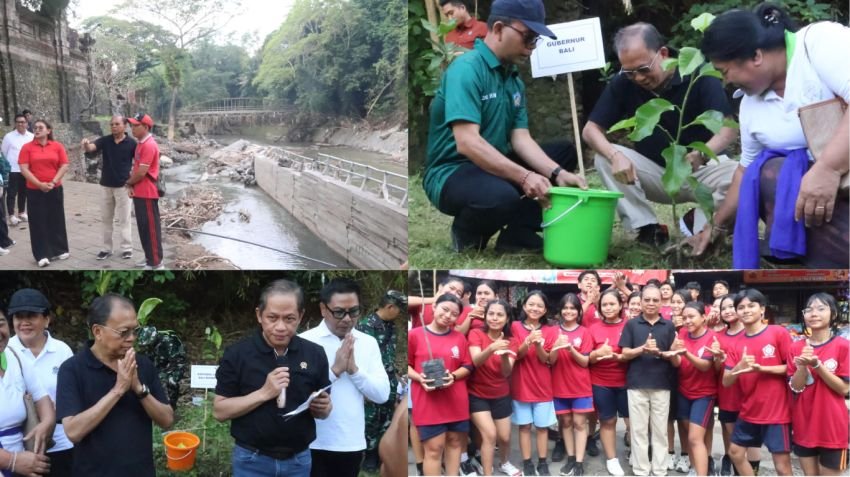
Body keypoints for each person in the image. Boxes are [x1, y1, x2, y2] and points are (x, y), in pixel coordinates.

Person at [424, 0, 587, 253]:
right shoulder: (466, 70)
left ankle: (517, 235)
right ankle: (467, 234)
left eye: (536, 40)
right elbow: (467, 143)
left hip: (491, 165)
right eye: (528, 37)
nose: (532, 47)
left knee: (563, 153)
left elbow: (521, 138)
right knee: (500, 197)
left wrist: (557, 173)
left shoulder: (513, 79)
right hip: (452, 171)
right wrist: (524, 176)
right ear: (499, 28)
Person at [699, 4, 849, 267]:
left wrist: (828, 168)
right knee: (768, 172)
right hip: (830, 201)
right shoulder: (750, 105)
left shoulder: (819, 43)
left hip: (838, 180)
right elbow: (745, 171)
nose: (725, 82)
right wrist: (717, 225)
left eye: (724, 71)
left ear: (756, 56)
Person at [582, 22, 738, 247]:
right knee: (604, 158)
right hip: (656, 172)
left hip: (702, 169)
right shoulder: (623, 83)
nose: (638, 78)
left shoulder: (698, 73)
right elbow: (590, 130)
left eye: (644, 69)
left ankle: (705, 227)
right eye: (630, 73)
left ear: (663, 53)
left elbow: (728, 128)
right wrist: (615, 156)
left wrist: (701, 154)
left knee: (740, 175)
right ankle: (648, 229)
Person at [213, 279, 332, 476]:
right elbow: (220, 411)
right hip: (251, 460)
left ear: (300, 316)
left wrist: (324, 408)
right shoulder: (237, 354)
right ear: (259, 315)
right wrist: (264, 393)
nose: (280, 327)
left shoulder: (314, 354)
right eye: (272, 318)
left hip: (298, 461)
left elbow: (324, 410)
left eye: (289, 318)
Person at [56, 293, 174, 477]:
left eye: (135, 331)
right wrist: (118, 390)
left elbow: (167, 420)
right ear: (98, 331)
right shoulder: (72, 369)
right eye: (123, 332)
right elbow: (73, 431)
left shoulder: (142, 364)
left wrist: (139, 389)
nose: (131, 338)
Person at [300, 278, 390, 477]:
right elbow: (297, 394)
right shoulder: (304, 342)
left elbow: (382, 394)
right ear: (323, 309)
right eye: (339, 312)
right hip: (311, 443)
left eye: (354, 311)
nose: (347, 319)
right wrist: (335, 371)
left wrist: (355, 371)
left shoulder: (368, 343)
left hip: (350, 443)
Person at [721, 288, 792, 476]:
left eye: (751, 306)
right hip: (749, 410)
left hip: (777, 412)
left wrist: (762, 369)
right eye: (741, 307)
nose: (746, 310)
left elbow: (792, 369)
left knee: (782, 467)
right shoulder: (736, 343)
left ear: (762, 309)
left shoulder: (778, 333)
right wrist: (739, 367)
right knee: (735, 453)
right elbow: (726, 381)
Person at [7, 289, 74, 476]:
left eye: (31, 316)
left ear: (46, 319)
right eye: (19, 317)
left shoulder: (62, 351)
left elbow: (74, 397)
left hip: (60, 443)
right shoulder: (7, 352)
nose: (24, 322)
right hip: (20, 447)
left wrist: (52, 413)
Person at [407, 293, 472, 476]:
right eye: (445, 309)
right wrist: (420, 377)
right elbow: (406, 365)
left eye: (454, 314)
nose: (448, 315)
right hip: (428, 401)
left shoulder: (459, 338)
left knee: (455, 443)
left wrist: (453, 376)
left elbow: (468, 366)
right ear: (434, 307)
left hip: (456, 400)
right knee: (434, 449)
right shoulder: (414, 335)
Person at [619, 285, 678, 477]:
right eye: (647, 300)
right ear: (641, 301)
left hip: (662, 384)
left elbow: (674, 356)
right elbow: (625, 354)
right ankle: (641, 470)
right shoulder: (631, 324)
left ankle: (660, 470)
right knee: (638, 431)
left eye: (655, 300)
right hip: (636, 384)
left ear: (661, 302)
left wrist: (662, 352)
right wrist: (642, 349)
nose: (651, 303)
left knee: (660, 431)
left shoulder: (668, 326)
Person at [787, 293, 849, 476]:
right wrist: (802, 366)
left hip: (833, 426)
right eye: (809, 309)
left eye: (821, 309)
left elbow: (844, 388)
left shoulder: (844, 346)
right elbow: (796, 387)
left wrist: (817, 365)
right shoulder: (795, 348)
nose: (814, 313)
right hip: (803, 423)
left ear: (834, 314)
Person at [467, 299, 520, 477]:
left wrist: (504, 354)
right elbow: (476, 361)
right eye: (491, 314)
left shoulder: (512, 341)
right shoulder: (475, 333)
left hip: (501, 394)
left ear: (507, 318)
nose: (495, 318)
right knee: (490, 435)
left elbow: (506, 372)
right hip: (477, 394)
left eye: (499, 315)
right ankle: (487, 473)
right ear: (485, 316)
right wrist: (491, 348)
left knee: (504, 437)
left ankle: (504, 463)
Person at [356, 289, 407, 472]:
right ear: (390, 307)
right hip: (372, 381)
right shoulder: (365, 327)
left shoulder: (391, 326)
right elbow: (360, 360)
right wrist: (364, 389)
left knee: (387, 418)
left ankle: (380, 454)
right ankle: (369, 456)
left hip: (389, 381)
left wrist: (398, 377)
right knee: (371, 419)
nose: (400, 314)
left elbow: (389, 356)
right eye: (399, 309)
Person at [0, 310, 54, 477]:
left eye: (1, 324)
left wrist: (46, 423)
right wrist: (11, 461)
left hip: (25, 463)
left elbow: (41, 397)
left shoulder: (14, 356)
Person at [668, 302, 719, 476]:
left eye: (691, 317)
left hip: (704, 394)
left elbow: (705, 366)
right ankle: (695, 468)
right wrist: (673, 351)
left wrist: (685, 353)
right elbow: (677, 363)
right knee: (690, 434)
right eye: (684, 318)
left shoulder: (712, 337)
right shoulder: (682, 333)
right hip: (684, 390)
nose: (687, 321)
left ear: (703, 317)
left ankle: (702, 473)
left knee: (695, 438)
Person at [510, 291, 556, 476]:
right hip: (521, 385)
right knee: (524, 426)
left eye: (539, 306)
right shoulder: (514, 326)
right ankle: (527, 462)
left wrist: (538, 345)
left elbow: (548, 360)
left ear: (544, 310)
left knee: (542, 427)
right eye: (531, 304)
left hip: (543, 386)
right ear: (524, 306)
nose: (535, 308)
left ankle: (542, 462)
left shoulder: (551, 330)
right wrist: (528, 341)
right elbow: (516, 355)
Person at [548, 293, 593, 477]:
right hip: (559, 385)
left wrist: (570, 349)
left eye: (573, 308)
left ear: (579, 311)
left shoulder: (585, 332)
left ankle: (579, 463)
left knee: (579, 423)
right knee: (565, 422)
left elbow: (585, 362)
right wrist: (556, 346)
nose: (568, 311)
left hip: (580, 386)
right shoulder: (552, 332)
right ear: (560, 311)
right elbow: (550, 361)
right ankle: (571, 458)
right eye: (565, 308)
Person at [81, 115, 137, 261]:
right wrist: (86, 145)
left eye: (117, 124)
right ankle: (106, 249)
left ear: (125, 126)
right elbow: (92, 148)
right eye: (112, 124)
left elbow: (138, 163)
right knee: (106, 219)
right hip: (105, 186)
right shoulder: (105, 140)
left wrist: (132, 182)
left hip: (124, 187)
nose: (113, 127)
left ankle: (127, 248)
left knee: (124, 219)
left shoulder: (132, 143)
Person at [588, 288, 629, 476]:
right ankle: (612, 459)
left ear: (620, 306)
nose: (608, 307)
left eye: (612, 303)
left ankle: (636, 453)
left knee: (633, 422)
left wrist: (621, 356)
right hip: (601, 382)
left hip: (628, 381)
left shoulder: (629, 325)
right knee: (608, 420)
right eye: (604, 304)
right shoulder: (593, 328)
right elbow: (587, 358)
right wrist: (597, 353)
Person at [17, 119, 70, 268]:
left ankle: (59, 249)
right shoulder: (27, 148)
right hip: (35, 190)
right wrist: (39, 184)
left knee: (56, 219)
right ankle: (41, 254)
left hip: (55, 188)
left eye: (41, 127)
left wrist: (53, 182)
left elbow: (64, 165)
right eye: (35, 127)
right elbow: (24, 169)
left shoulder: (57, 146)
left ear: (49, 130)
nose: (37, 129)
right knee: (37, 221)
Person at [126, 113, 163, 270]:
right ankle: (149, 257)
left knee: (151, 229)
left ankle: (156, 262)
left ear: (146, 127)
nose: (132, 128)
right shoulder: (141, 143)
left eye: (136, 125)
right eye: (132, 125)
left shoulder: (148, 145)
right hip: (140, 192)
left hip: (147, 192)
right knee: (143, 227)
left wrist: (128, 183)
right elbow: (137, 169)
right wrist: (132, 186)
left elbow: (141, 172)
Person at [1, 114, 33, 226]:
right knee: (11, 193)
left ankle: (21, 212)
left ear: (27, 124)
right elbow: (4, 152)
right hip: (13, 169)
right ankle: (11, 215)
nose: (20, 124)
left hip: (26, 169)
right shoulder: (9, 137)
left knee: (23, 192)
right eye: (18, 122)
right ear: (15, 123)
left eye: (23, 122)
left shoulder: (31, 136)